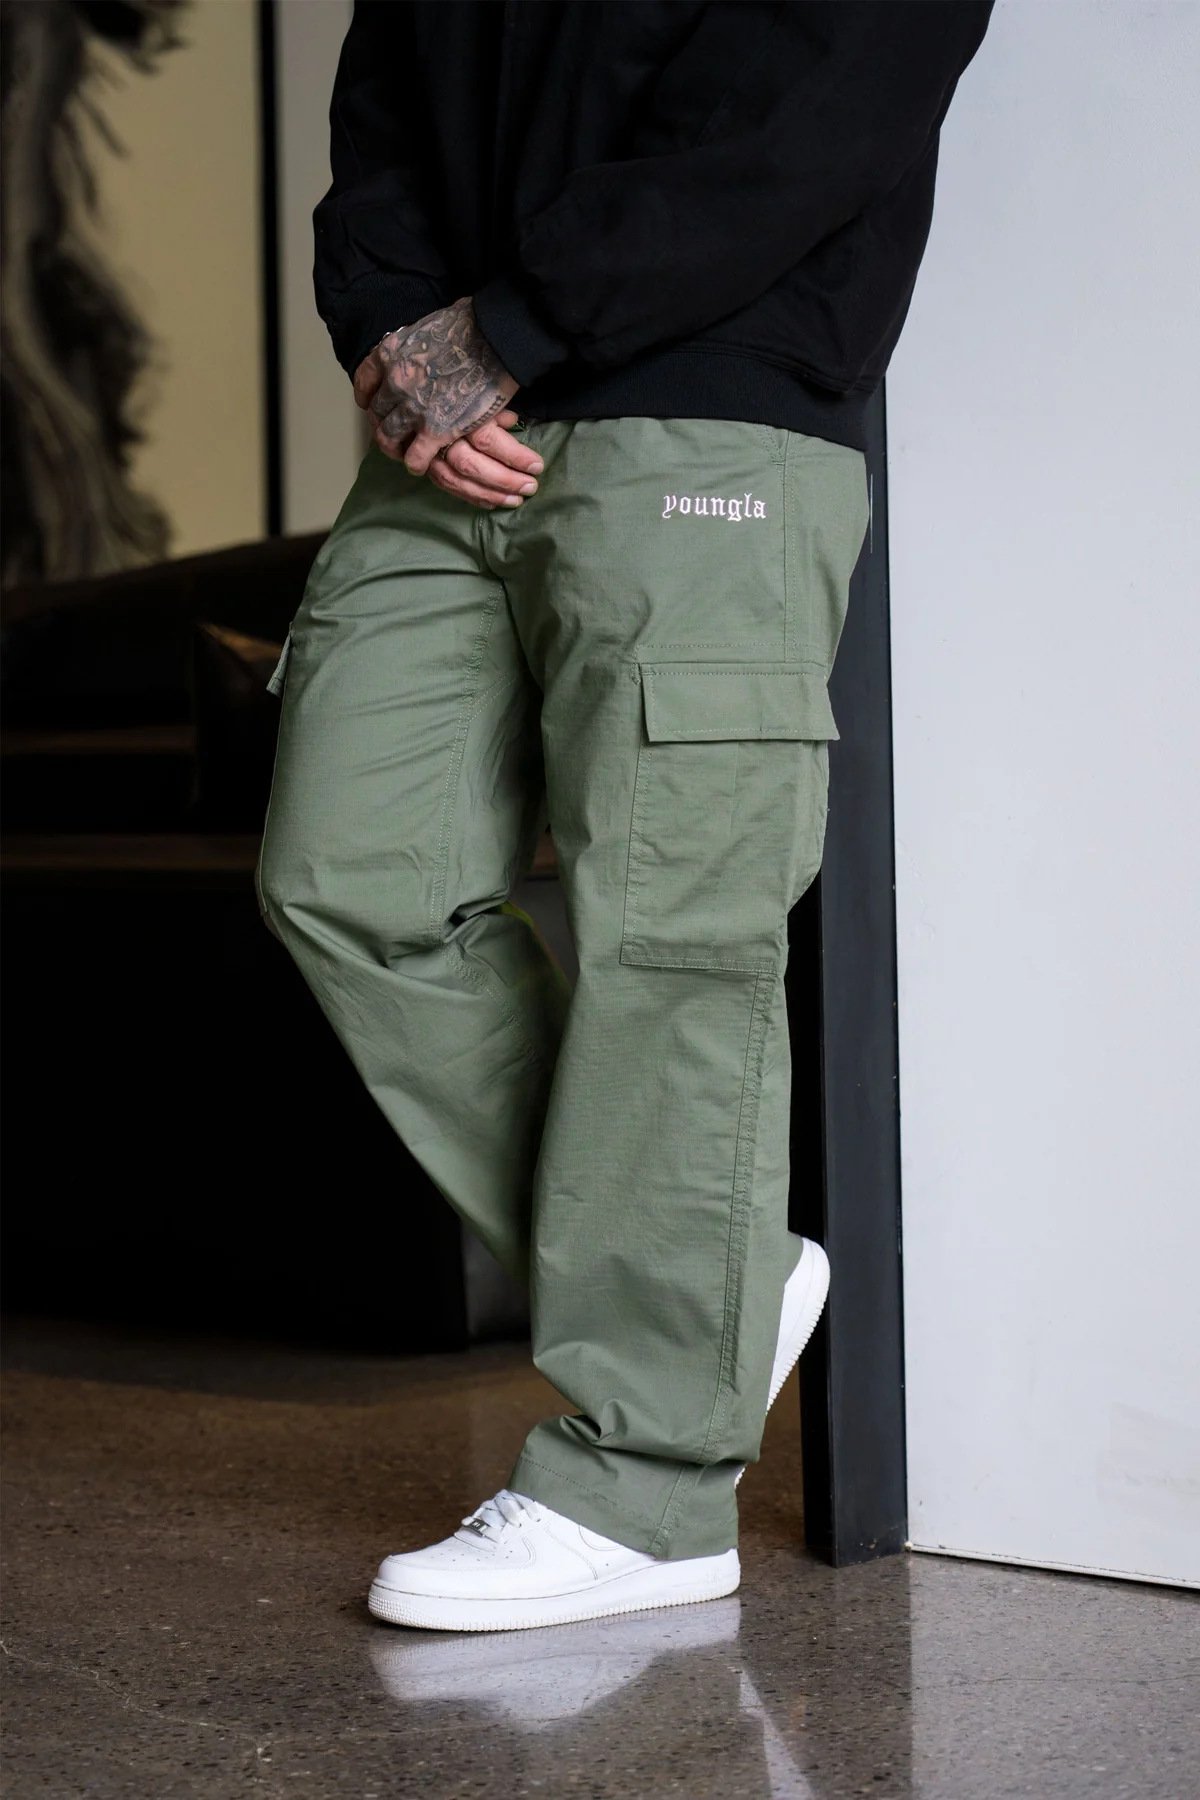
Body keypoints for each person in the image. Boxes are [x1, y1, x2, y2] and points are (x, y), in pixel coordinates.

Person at [256, 0, 992, 1633]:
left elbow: (819, 97)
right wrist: (393, 331)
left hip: (707, 398)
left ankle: (646, 1495)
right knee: (347, 874)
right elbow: (384, 103)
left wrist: (515, 324)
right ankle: (718, 1285)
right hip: (454, 428)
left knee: (672, 942)